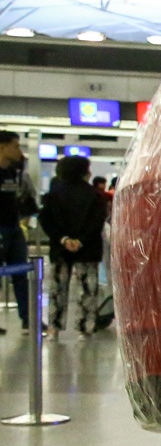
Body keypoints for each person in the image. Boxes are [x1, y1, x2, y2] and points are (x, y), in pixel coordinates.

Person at [39, 155, 107, 335]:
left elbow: (46, 220)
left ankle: (54, 327)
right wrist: (80, 240)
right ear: (84, 172)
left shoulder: (53, 195)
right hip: (88, 249)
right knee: (87, 290)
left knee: (57, 290)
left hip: (60, 248)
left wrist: (63, 239)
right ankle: (86, 327)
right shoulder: (94, 195)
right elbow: (97, 222)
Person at [0, 131, 37, 332]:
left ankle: (28, 319)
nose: (19, 150)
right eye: (15, 146)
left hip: (14, 228)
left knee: (22, 274)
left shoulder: (14, 172)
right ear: (2, 147)